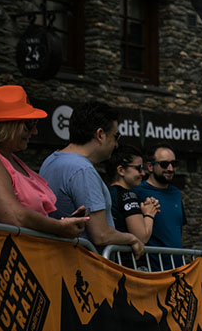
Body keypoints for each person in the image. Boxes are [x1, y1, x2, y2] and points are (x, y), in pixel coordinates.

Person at [0, 85, 87, 239]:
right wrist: (59, 227)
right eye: (29, 125)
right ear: (6, 126)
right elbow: (13, 217)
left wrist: (62, 224)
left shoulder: (6, 156)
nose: (34, 131)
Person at [40, 101, 143, 257]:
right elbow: (100, 234)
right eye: (116, 137)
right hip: (84, 267)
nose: (116, 145)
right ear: (100, 134)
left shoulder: (51, 160)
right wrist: (132, 238)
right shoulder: (83, 170)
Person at [132, 143, 185, 249]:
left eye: (174, 164)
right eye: (164, 164)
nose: (170, 169)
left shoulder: (176, 193)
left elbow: (179, 230)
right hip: (150, 263)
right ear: (150, 166)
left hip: (177, 263)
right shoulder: (137, 192)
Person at [107, 145, 159, 244]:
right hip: (126, 258)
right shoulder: (128, 196)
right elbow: (141, 237)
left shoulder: (107, 192)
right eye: (139, 168)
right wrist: (149, 213)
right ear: (121, 170)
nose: (143, 173)